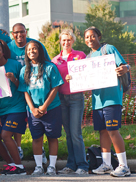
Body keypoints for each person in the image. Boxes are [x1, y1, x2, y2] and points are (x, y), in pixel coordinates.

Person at [80, 27, 130, 177]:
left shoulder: (108, 49)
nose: (90, 39)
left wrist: (124, 68)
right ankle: (106, 164)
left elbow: (126, 65)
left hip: (112, 97)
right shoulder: (88, 58)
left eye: (92, 36)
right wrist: (73, 79)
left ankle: (124, 165)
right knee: (103, 131)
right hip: (98, 100)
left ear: (99, 36)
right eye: (87, 37)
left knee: (112, 130)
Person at [18, 40, 64, 175]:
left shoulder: (50, 67)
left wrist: (44, 106)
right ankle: (38, 166)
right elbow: (25, 91)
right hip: (33, 110)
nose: (32, 51)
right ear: (26, 53)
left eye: (34, 49)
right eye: (29, 50)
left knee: (52, 137)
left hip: (51, 108)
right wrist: (32, 109)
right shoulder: (24, 70)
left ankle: (51, 166)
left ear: (40, 51)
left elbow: (55, 87)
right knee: (37, 138)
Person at [7, 23, 50, 162]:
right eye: (16, 32)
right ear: (12, 34)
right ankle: (18, 148)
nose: (19, 35)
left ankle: (41, 150)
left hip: (34, 89)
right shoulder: (9, 47)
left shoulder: (35, 44)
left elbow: (47, 64)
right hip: (15, 89)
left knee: (37, 122)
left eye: (22, 32)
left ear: (26, 32)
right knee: (20, 121)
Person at [0, 39, 27, 175]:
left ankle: (20, 167)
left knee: (6, 135)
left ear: (3, 51)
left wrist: (13, 79)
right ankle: (11, 164)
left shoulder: (15, 65)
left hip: (17, 107)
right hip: (1, 110)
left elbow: (23, 87)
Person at [51, 29, 89, 175]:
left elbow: (87, 73)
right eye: (63, 40)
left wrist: (74, 76)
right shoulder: (55, 60)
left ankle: (83, 166)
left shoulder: (80, 56)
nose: (66, 42)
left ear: (73, 41)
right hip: (61, 98)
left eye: (69, 40)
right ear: (60, 41)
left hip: (76, 98)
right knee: (68, 133)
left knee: (76, 133)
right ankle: (71, 164)